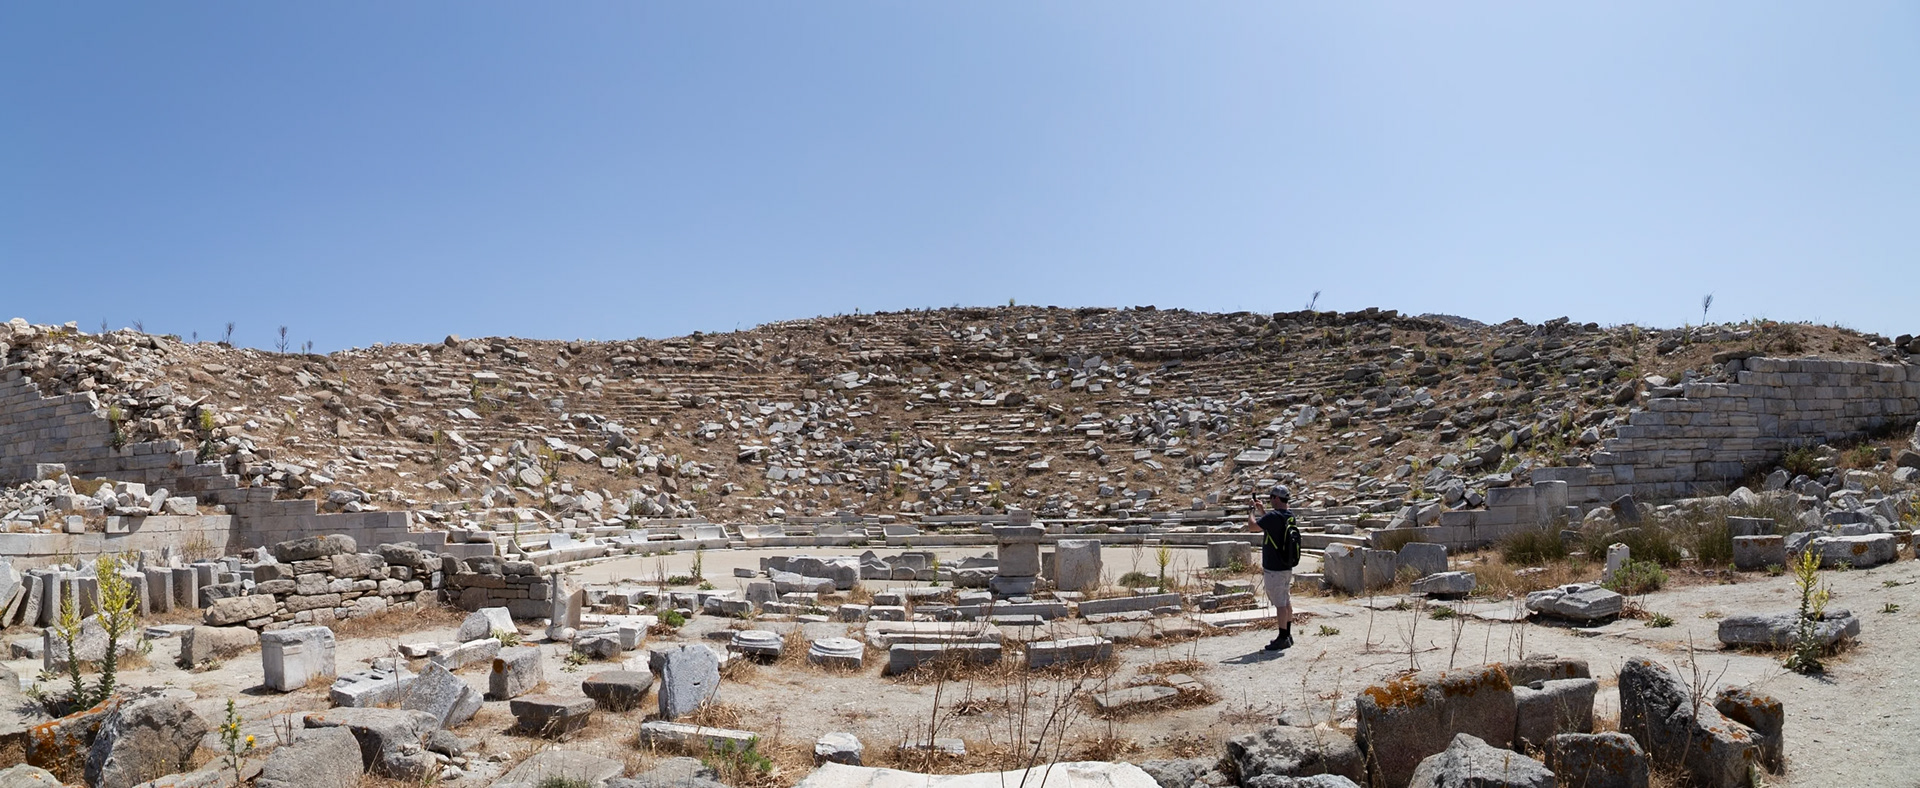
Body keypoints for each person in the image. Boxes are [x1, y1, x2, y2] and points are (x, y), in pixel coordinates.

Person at [1247, 484, 1302, 651]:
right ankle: (1288, 634)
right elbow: (1273, 527)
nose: (1270, 500)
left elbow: (1252, 527)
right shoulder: (1288, 515)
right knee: (1285, 600)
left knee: (1279, 603)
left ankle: (1282, 637)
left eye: (1271, 497)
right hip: (1286, 565)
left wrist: (1251, 510)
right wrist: (1263, 511)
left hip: (1274, 567)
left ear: (1276, 499)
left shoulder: (1273, 517)